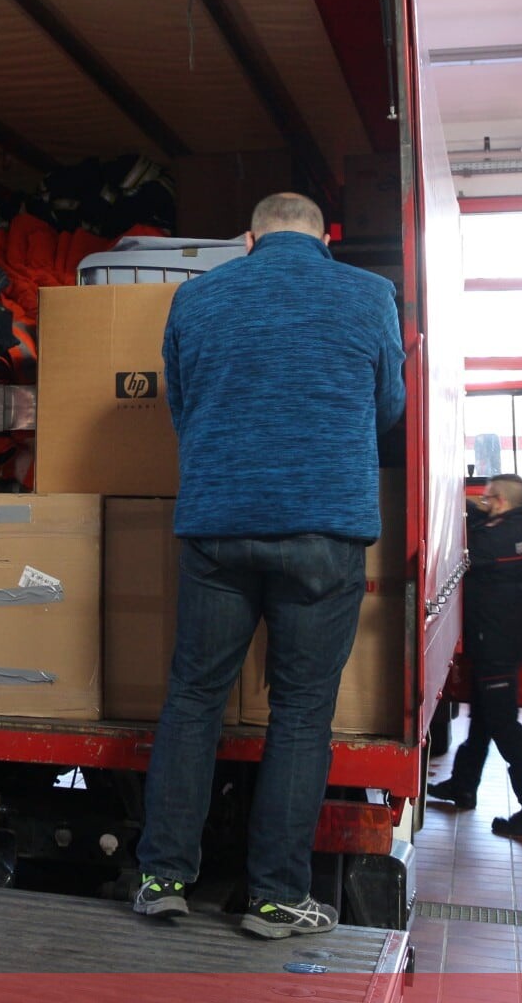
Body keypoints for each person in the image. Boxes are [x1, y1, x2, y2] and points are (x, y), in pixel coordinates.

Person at [134, 192, 405, 939]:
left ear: (248, 240)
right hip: (324, 530)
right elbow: (388, 405)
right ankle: (276, 897)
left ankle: (161, 878)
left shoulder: (197, 297)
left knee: (193, 700)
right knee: (302, 713)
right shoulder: (369, 294)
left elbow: (182, 405)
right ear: (324, 241)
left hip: (218, 525)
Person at [427, 474, 522, 838]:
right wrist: (457, 498)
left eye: (487, 499)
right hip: (503, 639)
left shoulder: (500, 536)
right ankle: (463, 786)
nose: (483, 505)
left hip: (497, 643)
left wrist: (451, 510)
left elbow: (470, 544)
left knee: (504, 726)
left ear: (501, 501)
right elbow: (482, 522)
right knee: (482, 718)